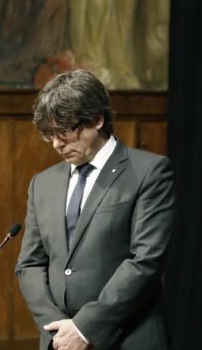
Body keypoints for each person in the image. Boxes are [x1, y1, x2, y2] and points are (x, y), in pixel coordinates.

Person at [16, 69, 175, 349]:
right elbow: (30, 264)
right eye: (50, 135)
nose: (56, 145)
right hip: (60, 342)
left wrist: (85, 328)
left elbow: (145, 261)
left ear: (97, 119)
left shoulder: (148, 172)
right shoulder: (42, 184)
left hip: (127, 339)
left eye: (64, 132)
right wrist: (60, 331)